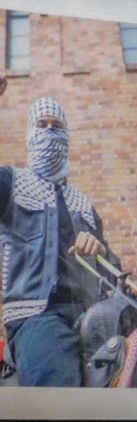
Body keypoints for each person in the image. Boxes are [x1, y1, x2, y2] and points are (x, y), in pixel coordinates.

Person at [0, 72, 113, 386]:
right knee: (57, 386)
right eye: (42, 125)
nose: (50, 131)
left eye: (57, 126)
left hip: (93, 314)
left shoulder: (83, 202)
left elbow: (112, 271)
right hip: (37, 317)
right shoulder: (11, 184)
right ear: (29, 134)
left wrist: (100, 251)